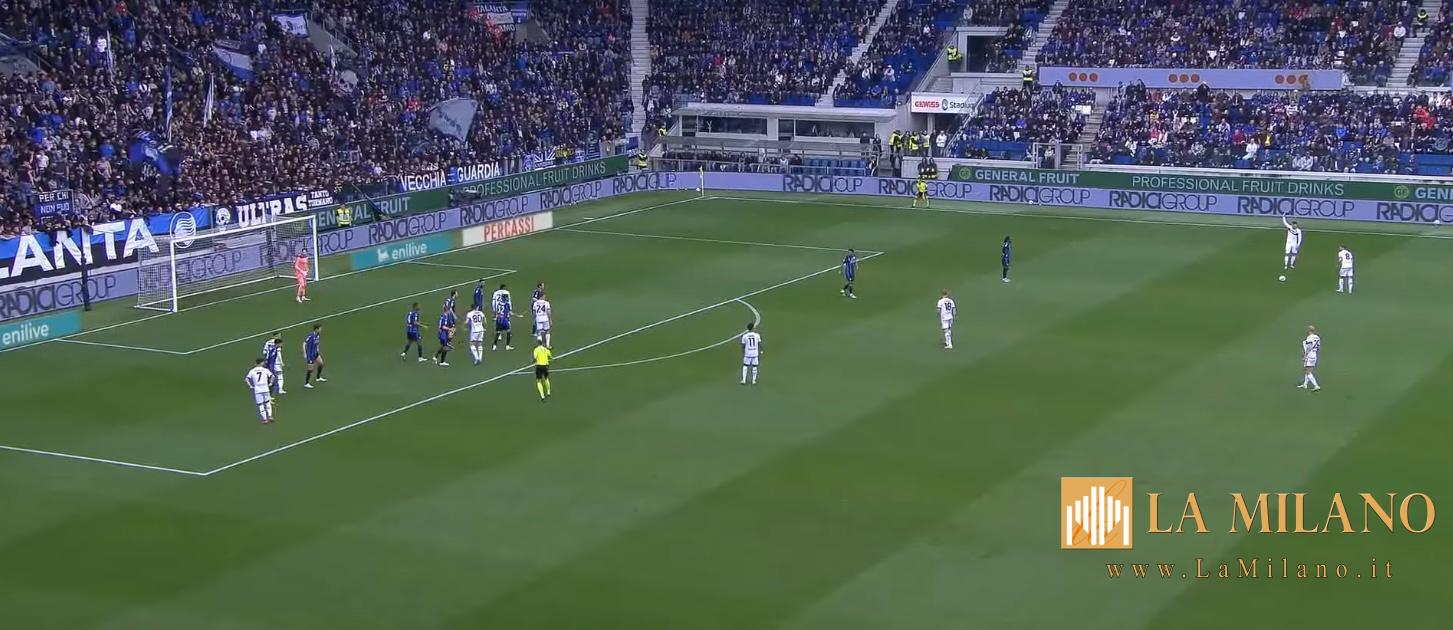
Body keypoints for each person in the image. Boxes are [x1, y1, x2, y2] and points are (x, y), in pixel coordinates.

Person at [245, 358, 276, 424]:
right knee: (267, 403)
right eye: (263, 362)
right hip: (265, 388)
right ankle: (270, 416)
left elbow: (247, 379)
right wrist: (270, 383)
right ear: (261, 363)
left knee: (260, 405)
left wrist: (250, 385)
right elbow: (272, 376)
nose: (264, 363)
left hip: (257, 390)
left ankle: (265, 419)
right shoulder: (265, 370)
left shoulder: (252, 371)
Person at [492, 283, 518, 350]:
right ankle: (507, 346)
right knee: (508, 331)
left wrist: (495, 313)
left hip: (498, 319)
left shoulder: (498, 304)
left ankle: (494, 346)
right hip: (505, 320)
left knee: (498, 332)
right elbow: (510, 312)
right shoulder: (506, 304)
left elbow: (494, 304)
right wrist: (518, 315)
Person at [1299, 325, 1322, 391]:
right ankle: (1305, 384)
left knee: (1308, 371)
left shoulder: (1309, 338)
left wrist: (1305, 355)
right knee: (1308, 370)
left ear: (1309, 331)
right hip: (1314, 354)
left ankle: (1316, 386)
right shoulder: (1317, 337)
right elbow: (1318, 346)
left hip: (1309, 355)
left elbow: (1308, 347)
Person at [302, 324, 325, 388]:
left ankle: (318, 377)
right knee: (310, 369)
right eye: (320, 329)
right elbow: (304, 343)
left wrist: (317, 349)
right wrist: (304, 353)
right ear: (316, 329)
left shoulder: (317, 335)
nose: (321, 330)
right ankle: (306, 383)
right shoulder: (311, 335)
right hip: (310, 354)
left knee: (321, 364)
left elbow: (317, 343)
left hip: (315, 353)